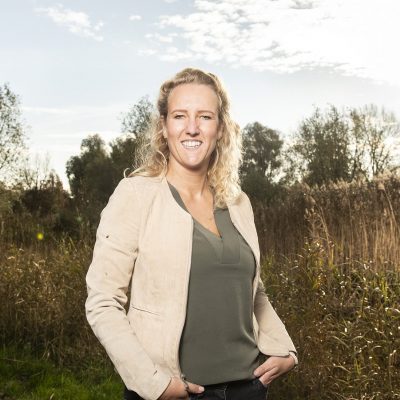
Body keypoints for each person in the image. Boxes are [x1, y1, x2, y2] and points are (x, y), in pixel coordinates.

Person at [85, 67, 298, 400]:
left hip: (248, 388)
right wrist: (154, 384)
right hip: (172, 391)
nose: (192, 128)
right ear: (164, 126)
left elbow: (253, 291)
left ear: (221, 128)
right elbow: (103, 301)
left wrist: (285, 348)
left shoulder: (238, 203)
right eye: (180, 116)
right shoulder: (135, 195)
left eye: (205, 117)